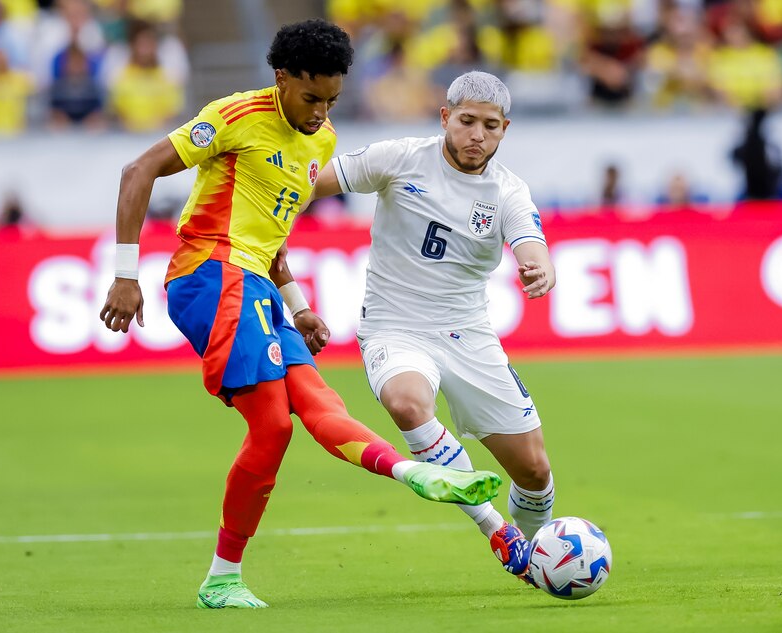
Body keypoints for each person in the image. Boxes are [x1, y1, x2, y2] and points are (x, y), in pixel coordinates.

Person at [98, 20, 501, 610]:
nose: (320, 112)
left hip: (256, 285)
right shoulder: (235, 117)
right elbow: (138, 172)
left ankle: (416, 475)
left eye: (332, 100)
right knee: (274, 425)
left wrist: (300, 305)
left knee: (319, 405)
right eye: (311, 97)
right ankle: (223, 577)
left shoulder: (321, 140)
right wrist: (126, 274)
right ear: (281, 78)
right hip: (209, 274)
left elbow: (272, 232)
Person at [305, 71, 556, 580]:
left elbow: (530, 239)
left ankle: (541, 553)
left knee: (534, 471)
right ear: (445, 118)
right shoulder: (398, 158)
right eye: (466, 121)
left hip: (468, 335)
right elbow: (309, 183)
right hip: (394, 328)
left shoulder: (507, 190)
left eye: (490, 125)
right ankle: (495, 529)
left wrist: (540, 265)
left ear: (504, 129)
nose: (477, 135)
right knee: (406, 402)